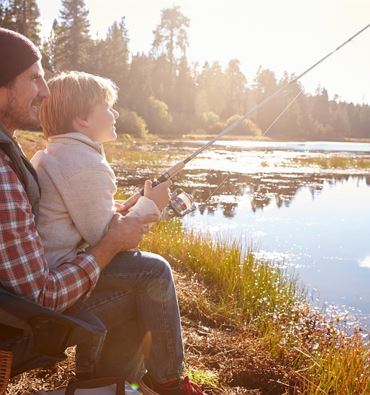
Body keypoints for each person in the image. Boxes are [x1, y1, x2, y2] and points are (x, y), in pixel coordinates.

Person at [0, 28, 204, 395]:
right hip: (36, 306)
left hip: (38, 283)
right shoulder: (78, 163)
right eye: (33, 79)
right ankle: (166, 380)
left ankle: (100, 383)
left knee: (136, 285)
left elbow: (77, 214)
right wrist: (148, 206)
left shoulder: (48, 152)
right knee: (154, 272)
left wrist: (117, 209)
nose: (43, 91)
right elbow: (102, 240)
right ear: (81, 121)